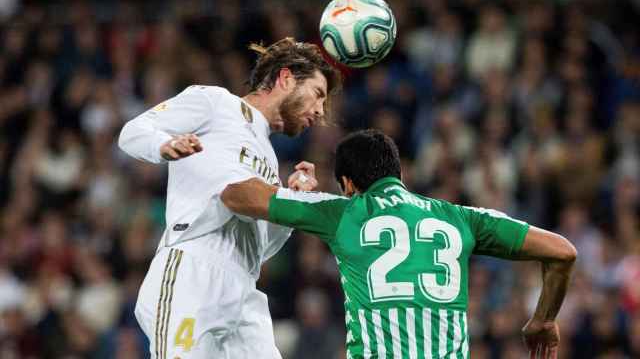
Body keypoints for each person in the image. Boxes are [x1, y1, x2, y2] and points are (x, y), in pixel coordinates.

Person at [221, 129, 577, 359]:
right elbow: (562, 252)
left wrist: (292, 189)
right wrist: (543, 320)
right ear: (399, 175)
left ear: (347, 184)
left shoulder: (340, 212)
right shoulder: (461, 218)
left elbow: (236, 196)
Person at [118, 37, 340, 359]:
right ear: (286, 78)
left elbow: (261, 249)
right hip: (194, 269)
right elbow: (133, 132)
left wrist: (291, 202)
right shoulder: (215, 102)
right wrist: (163, 146)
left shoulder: (268, 158)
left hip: (244, 286)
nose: (320, 111)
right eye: (318, 94)